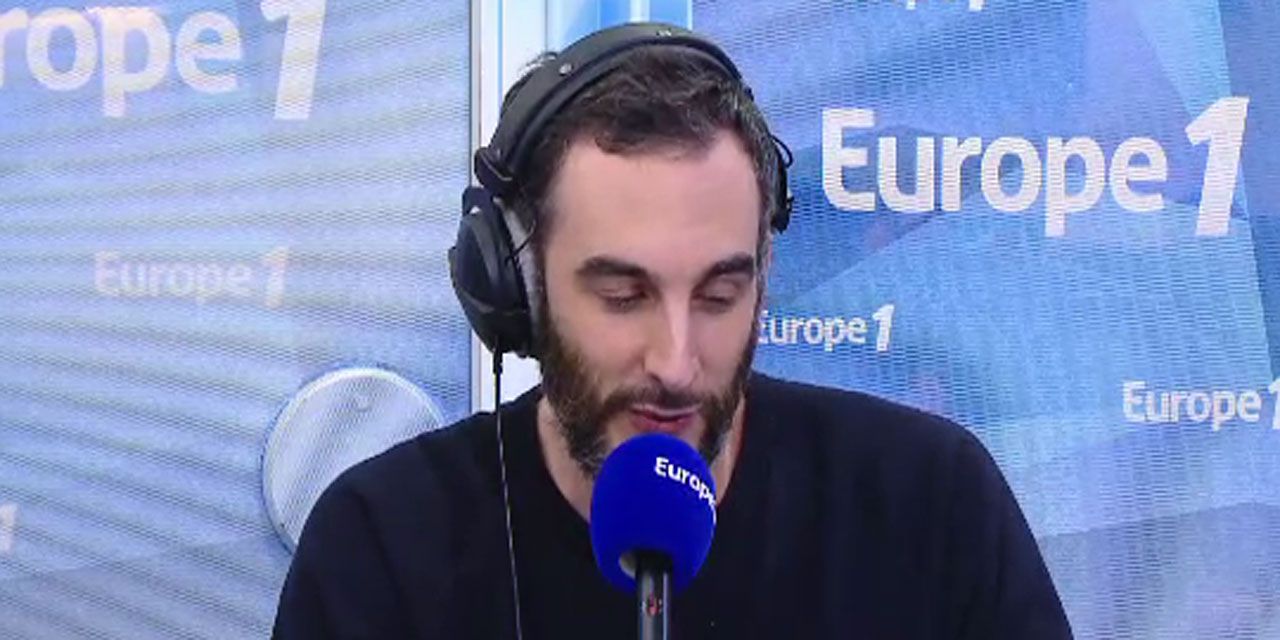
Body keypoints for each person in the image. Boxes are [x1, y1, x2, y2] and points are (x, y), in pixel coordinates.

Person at [272, 23, 1073, 639]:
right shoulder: (383, 547)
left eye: (720, 295)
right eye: (624, 296)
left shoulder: (929, 507)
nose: (677, 362)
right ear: (521, 283)